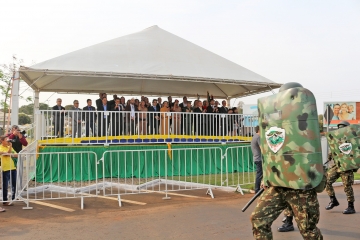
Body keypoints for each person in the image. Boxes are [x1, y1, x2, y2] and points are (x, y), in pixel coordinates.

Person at [250, 82, 323, 239]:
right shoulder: (273, 124)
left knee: (308, 231)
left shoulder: (304, 122)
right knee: (259, 219)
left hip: (300, 185)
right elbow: (272, 153)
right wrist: (267, 175)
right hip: (278, 184)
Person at [325, 120, 356, 214]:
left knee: (347, 186)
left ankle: (351, 206)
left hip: (346, 166)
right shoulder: (336, 140)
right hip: (337, 165)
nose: (340, 130)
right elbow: (333, 151)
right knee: (327, 181)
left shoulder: (353, 140)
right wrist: (329, 157)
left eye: (342, 128)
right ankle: (333, 200)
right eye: (339, 128)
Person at [0, 135, 18, 206]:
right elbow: (7, 154)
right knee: (5, 185)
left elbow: (16, 155)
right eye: (6, 140)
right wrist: (10, 150)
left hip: (13, 167)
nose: (8, 141)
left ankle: (14, 197)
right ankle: (5, 200)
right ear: (2, 141)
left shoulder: (9, 147)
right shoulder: (0, 147)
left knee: (14, 183)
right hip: (6, 168)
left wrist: (11, 153)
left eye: (8, 140)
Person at [251, 126, 262, 194]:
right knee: (260, 174)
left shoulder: (255, 137)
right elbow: (262, 148)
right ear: (259, 130)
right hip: (259, 158)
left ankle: (258, 189)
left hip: (257, 158)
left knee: (260, 174)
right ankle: (257, 190)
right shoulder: (258, 137)